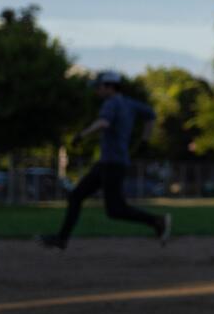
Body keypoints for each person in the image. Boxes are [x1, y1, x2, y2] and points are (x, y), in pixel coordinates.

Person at [39, 71, 172, 251]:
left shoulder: (111, 103)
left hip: (112, 163)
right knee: (77, 196)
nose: (97, 90)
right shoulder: (129, 103)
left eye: (99, 86)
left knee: (115, 209)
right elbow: (150, 115)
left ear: (110, 87)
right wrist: (145, 140)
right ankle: (62, 238)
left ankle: (157, 221)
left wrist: (81, 135)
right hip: (109, 163)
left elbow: (103, 123)